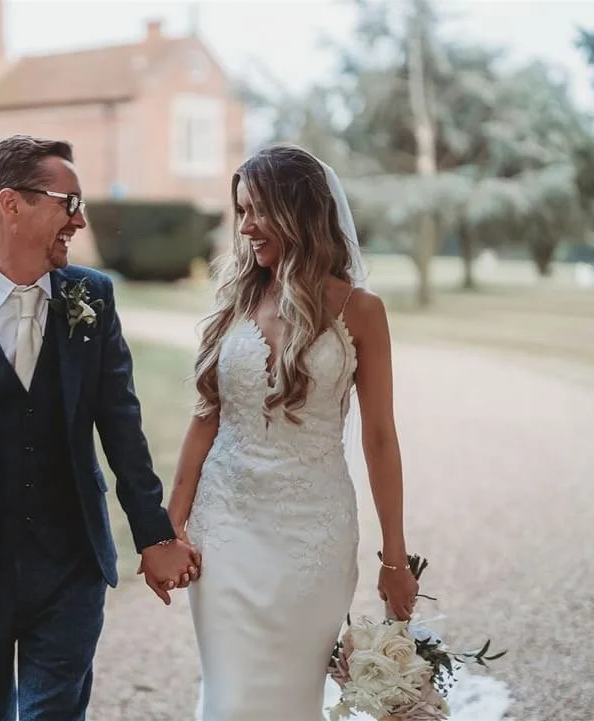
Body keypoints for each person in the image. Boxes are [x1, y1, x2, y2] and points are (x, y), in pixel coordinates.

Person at [0, 134, 200, 721]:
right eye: (68, 203)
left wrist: (154, 535)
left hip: (70, 564)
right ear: (12, 203)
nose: (79, 221)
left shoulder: (91, 297)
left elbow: (122, 429)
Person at [166, 143, 419, 720]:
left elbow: (380, 438)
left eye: (257, 210)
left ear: (298, 211)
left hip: (314, 537)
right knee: (229, 699)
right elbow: (206, 414)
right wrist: (171, 526)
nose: (247, 226)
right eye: (241, 211)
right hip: (226, 529)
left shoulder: (362, 310)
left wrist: (395, 560)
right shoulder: (238, 299)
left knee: (291, 701)